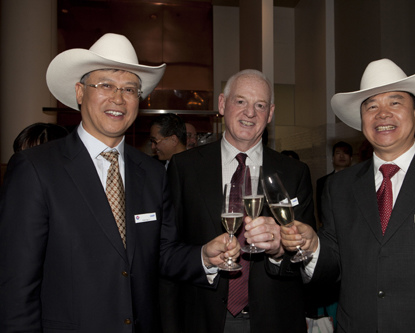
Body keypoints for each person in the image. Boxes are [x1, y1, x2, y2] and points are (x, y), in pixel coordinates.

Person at [0, 33, 238, 332]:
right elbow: (17, 285)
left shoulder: (151, 173)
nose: (118, 98)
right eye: (106, 85)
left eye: (130, 89)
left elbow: (161, 252)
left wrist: (203, 256)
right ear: (79, 92)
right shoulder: (36, 169)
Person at [282, 59, 415, 332]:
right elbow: (334, 265)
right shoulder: (339, 188)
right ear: (362, 120)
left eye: (395, 103)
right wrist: (312, 246)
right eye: (371, 106)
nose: (382, 114)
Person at [164, 69, 316, 333]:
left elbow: (309, 258)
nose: (250, 113)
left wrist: (282, 252)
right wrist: (203, 258)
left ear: (270, 113)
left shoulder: (294, 172)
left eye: (260, 105)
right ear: (222, 104)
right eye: (241, 101)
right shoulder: (184, 168)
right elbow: (165, 252)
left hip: (275, 321)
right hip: (202, 319)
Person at [316, 141, 353, 224]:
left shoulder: (359, 180)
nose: (341, 156)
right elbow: (320, 209)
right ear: (332, 157)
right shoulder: (323, 182)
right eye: (338, 153)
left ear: (351, 158)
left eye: (345, 153)